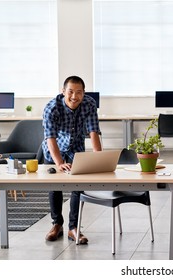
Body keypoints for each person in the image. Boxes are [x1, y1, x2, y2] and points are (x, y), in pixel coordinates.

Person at [42, 75, 102, 244]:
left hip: (76, 148)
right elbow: (50, 138)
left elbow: (93, 131)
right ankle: (57, 224)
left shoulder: (89, 104)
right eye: (70, 92)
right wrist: (59, 163)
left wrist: (99, 158)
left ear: (84, 93)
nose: (74, 96)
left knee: (77, 187)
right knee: (55, 187)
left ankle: (73, 228)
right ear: (63, 92)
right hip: (54, 150)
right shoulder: (51, 108)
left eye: (79, 92)